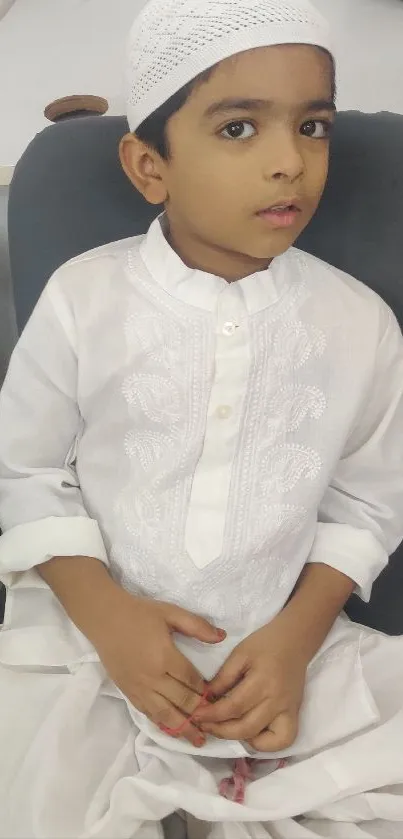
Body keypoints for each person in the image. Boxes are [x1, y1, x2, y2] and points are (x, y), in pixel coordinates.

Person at [1, 0, 403, 836]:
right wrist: (107, 617)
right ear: (150, 167)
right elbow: (22, 468)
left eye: (314, 125)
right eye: (237, 130)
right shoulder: (85, 296)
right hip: (91, 647)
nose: (290, 162)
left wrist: (294, 641)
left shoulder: (358, 322)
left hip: (286, 655)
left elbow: (368, 499)